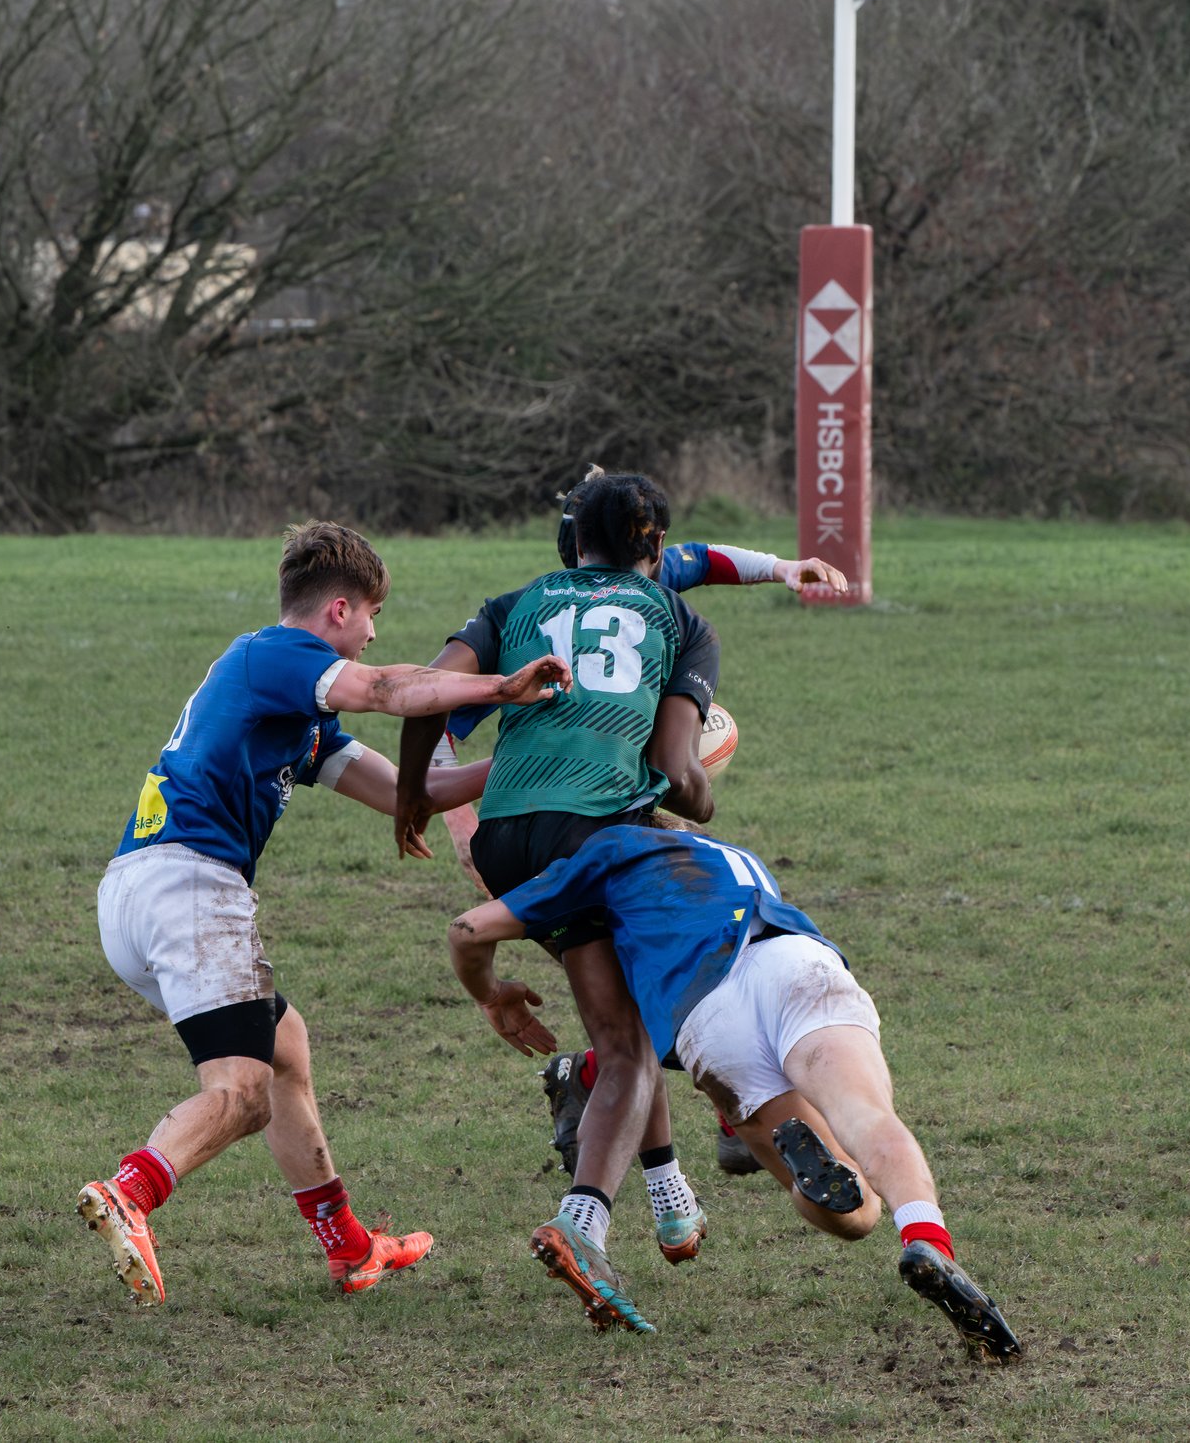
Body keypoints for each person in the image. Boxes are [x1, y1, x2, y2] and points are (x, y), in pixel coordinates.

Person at [77, 521, 569, 1308]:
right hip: (190, 889)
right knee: (242, 1092)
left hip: (147, 891)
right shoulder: (271, 655)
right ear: (338, 610)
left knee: (285, 1047)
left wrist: (535, 761)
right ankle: (131, 1189)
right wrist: (497, 687)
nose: (374, 634)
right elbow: (386, 690)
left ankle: (350, 1247)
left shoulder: (294, 715)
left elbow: (411, 792)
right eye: (372, 615)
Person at [446, 824, 1024, 1360]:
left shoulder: (609, 849)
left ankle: (808, 1172)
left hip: (708, 1016)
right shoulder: (733, 855)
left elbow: (468, 929)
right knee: (868, 1115)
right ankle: (927, 1239)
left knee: (858, 1217)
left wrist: (493, 992)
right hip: (792, 963)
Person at [419, 470, 844, 1183]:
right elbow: (442, 719)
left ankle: (636, 1102)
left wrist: (781, 569)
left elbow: (704, 559)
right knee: (665, 964)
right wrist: (460, 820)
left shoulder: (642, 571)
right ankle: (702, 1107)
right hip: (574, 822)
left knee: (662, 957)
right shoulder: (550, 613)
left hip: (616, 807)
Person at [389, 472, 732, 1315]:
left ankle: (669, 1191)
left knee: (621, 1020)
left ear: (570, 543)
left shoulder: (512, 604)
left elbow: (423, 692)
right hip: (597, 834)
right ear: (655, 548)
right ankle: (586, 1219)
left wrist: (410, 795)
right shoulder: (679, 620)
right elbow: (680, 776)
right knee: (630, 1039)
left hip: (508, 839)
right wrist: (704, 792)